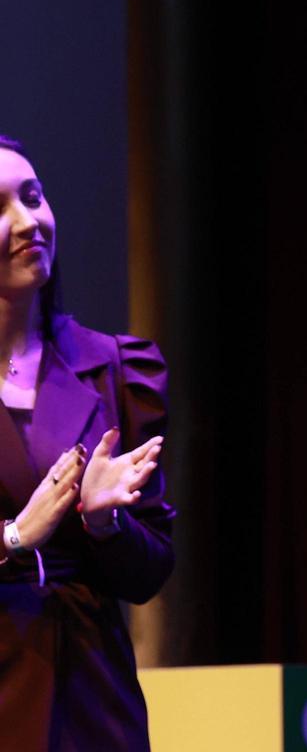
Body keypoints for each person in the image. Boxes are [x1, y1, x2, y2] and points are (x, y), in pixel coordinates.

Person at [0, 135, 172, 750]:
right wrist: (14, 537)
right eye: (1, 209)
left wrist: (106, 526)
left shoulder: (115, 368)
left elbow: (152, 570)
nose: (28, 221)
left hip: (91, 701)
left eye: (33, 197)